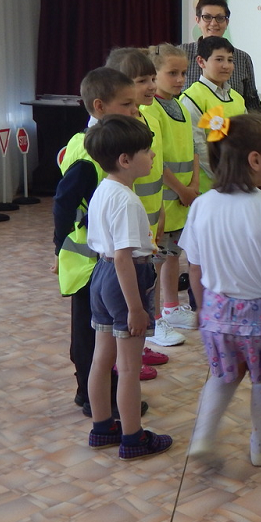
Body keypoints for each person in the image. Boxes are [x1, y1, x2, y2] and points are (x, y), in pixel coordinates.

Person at [180, 113, 261, 468]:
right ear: (255, 160)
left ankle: (203, 437)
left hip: (216, 313)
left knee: (221, 378)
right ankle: (260, 446)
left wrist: (201, 308)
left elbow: (194, 267)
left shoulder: (202, 205)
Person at [52, 67, 150, 419]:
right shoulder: (87, 152)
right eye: (127, 104)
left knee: (101, 336)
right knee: (88, 334)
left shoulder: (109, 143)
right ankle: (91, 397)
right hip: (89, 259)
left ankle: (105, 397)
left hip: (102, 254)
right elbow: (63, 205)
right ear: (99, 106)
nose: (135, 110)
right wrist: (59, 251)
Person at [83, 114, 173, 460]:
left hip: (101, 276)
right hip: (125, 280)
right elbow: (124, 258)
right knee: (129, 368)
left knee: (101, 360)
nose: (152, 156)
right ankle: (133, 437)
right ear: (125, 160)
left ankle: (102, 427)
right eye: (147, 151)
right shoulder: (128, 201)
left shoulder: (104, 189)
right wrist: (136, 308)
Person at [107, 48, 184, 350]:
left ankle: (146, 336)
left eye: (152, 79)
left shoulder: (147, 117)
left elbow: (156, 165)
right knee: (134, 281)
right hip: (131, 221)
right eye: (142, 81)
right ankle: (142, 334)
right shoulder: (118, 129)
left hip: (152, 214)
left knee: (149, 274)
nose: (152, 86)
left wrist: (160, 209)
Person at [146, 44, 200, 327]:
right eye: (172, 73)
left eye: (183, 73)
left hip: (182, 201)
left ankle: (170, 308)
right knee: (156, 262)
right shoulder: (151, 109)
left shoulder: (180, 105)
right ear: (154, 74)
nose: (180, 79)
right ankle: (155, 319)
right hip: (166, 200)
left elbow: (192, 148)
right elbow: (158, 158)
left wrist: (194, 184)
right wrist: (181, 189)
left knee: (172, 257)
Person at [181, 36, 247, 194]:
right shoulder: (192, 98)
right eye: (219, 59)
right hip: (208, 187)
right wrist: (224, 175)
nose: (226, 66)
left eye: (230, 60)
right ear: (201, 61)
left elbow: (247, 139)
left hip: (239, 181)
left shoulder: (237, 98)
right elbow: (198, 145)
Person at [183, 0, 261, 113]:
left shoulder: (243, 58)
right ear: (198, 20)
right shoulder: (181, 54)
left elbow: (252, 102)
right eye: (207, 17)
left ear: (227, 23)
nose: (213, 23)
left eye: (220, 18)